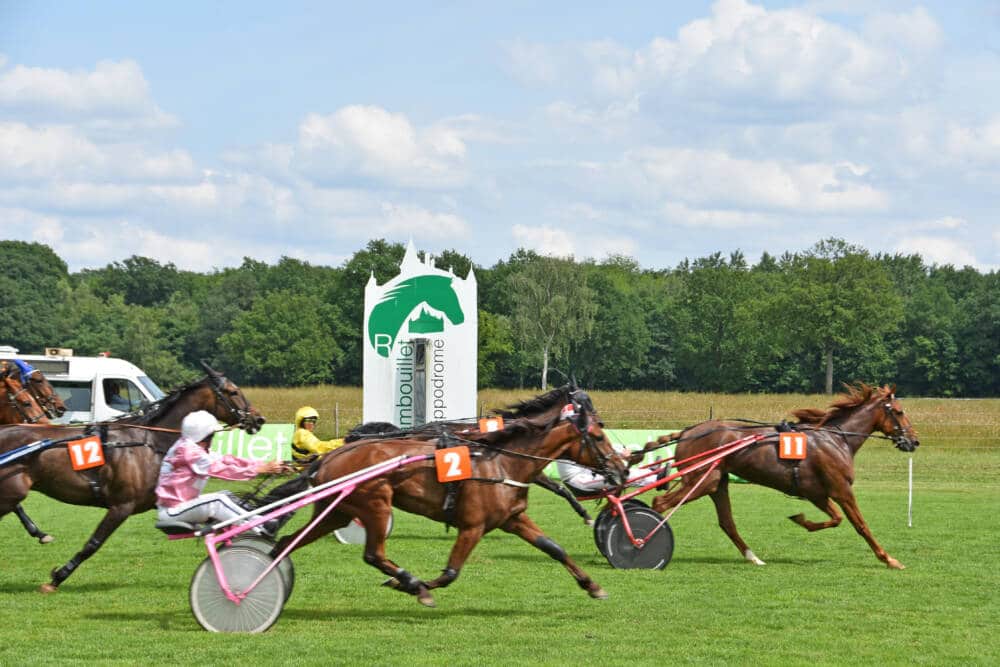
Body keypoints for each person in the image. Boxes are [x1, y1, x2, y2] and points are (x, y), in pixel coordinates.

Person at [155, 410, 285, 533]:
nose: (213, 438)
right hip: (172, 511)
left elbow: (227, 460)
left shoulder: (193, 447)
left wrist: (263, 465)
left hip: (184, 506)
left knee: (226, 494)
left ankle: (260, 519)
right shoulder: (188, 451)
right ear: (204, 435)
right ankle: (261, 525)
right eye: (212, 435)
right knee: (217, 500)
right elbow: (221, 470)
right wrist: (259, 470)